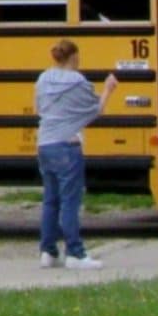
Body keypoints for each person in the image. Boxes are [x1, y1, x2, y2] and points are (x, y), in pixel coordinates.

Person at [32, 39, 113, 270]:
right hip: (67, 145)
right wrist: (108, 89)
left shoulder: (43, 78)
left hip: (44, 144)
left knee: (51, 200)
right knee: (70, 201)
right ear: (74, 57)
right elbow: (95, 109)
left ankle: (47, 252)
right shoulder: (77, 81)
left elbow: (38, 108)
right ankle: (75, 253)